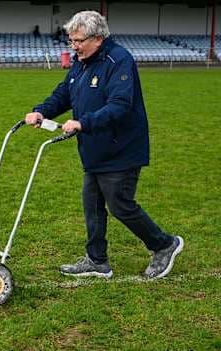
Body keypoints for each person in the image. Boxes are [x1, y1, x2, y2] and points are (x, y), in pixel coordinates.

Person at [24, 10, 183, 280]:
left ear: (97, 38)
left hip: (121, 147)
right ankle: (97, 260)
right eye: (71, 41)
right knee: (92, 204)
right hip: (95, 148)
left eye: (78, 41)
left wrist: (83, 123)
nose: (74, 47)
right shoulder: (81, 62)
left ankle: (164, 244)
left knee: (120, 204)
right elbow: (65, 94)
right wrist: (41, 111)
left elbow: (120, 105)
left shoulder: (119, 60)